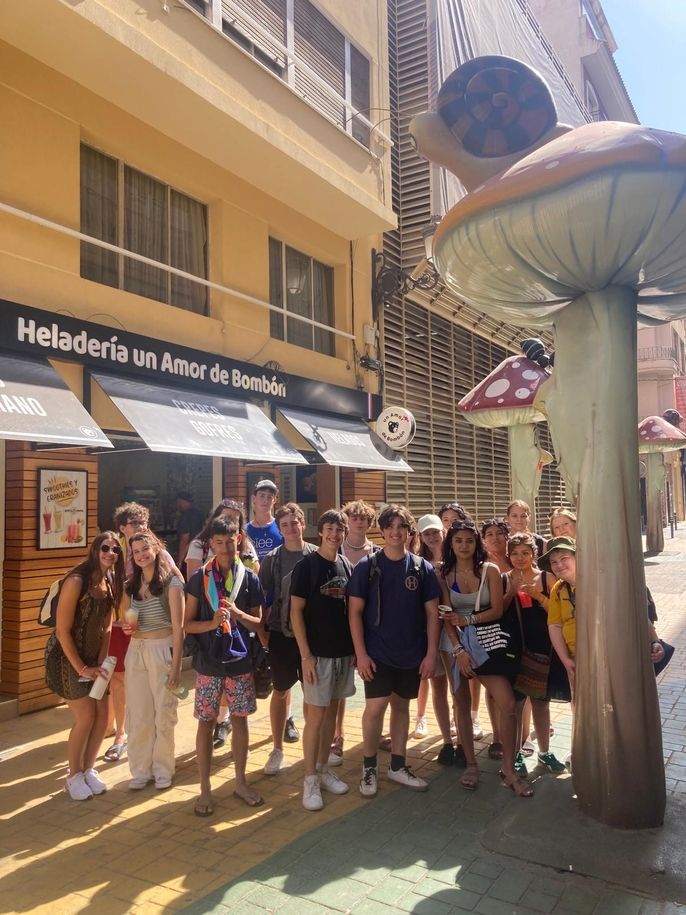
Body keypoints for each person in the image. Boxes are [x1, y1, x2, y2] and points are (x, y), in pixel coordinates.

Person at [348, 505, 441, 798]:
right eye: (390, 526)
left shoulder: (420, 567)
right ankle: (370, 767)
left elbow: (432, 614)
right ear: (383, 530)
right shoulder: (368, 566)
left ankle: (398, 765)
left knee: (402, 707)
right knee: (375, 708)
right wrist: (361, 654)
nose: (395, 532)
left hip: (411, 652)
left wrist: (430, 653)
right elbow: (354, 613)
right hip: (377, 654)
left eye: (402, 527)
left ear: (408, 532)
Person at [440, 520, 530, 796]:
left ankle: (508, 768)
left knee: (508, 704)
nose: (464, 546)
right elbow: (446, 618)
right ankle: (470, 764)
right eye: (458, 541)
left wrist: (467, 618)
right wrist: (459, 652)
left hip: (488, 643)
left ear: (476, 543)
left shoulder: (489, 570)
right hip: (456, 645)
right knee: (462, 702)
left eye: (469, 540)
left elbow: (497, 612)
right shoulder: (443, 574)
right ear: (451, 544)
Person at [184, 517, 264, 816]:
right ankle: (204, 790)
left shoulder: (250, 578)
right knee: (206, 722)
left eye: (230, 541)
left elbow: (259, 622)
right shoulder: (199, 579)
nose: (226, 547)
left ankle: (240, 782)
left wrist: (238, 613)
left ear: (239, 539)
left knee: (240, 720)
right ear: (211, 545)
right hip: (208, 663)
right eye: (219, 542)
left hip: (240, 662)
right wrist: (212, 622)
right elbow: (187, 624)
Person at [45, 531, 125, 800]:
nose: (110, 553)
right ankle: (73, 776)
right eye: (105, 547)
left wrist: (103, 660)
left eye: (116, 550)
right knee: (86, 717)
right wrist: (81, 668)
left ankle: (88, 770)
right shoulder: (76, 581)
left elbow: (107, 626)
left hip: (95, 660)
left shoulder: (111, 581)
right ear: (94, 549)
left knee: (103, 716)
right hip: (67, 659)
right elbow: (62, 631)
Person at [104, 502, 182, 764]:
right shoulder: (113, 551)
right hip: (118, 624)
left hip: (154, 634)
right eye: (135, 523)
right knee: (117, 679)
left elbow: (177, 582)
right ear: (122, 527)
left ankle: (157, 755)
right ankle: (120, 734)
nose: (141, 527)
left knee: (154, 691)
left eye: (143, 522)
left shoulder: (157, 554)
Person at [290, 510, 355, 810]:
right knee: (315, 717)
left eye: (339, 530)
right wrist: (305, 655)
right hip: (317, 656)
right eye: (329, 529)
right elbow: (295, 612)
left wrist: (354, 651)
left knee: (332, 713)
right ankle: (310, 779)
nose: (334, 534)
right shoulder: (307, 567)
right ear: (321, 532)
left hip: (342, 653)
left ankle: (323, 767)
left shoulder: (346, 565)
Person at [123, 531, 185, 790]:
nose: (141, 555)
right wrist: (125, 628)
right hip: (136, 650)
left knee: (164, 713)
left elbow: (179, 628)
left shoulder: (172, 582)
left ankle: (163, 769)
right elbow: (125, 619)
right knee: (138, 714)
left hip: (162, 650)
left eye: (144, 549)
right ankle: (140, 769)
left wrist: (177, 666)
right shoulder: (130, 585)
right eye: (135, 551)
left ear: (156, 547)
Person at [258, 503, 317, 775]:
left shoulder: (316, 556)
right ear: (279, 529)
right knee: (280, 690)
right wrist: (263, 635)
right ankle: (277, 748)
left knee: (311, 692)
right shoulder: (272, 559)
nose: (291, 529)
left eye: (295, 523)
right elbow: (262, 600)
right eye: (285, 525)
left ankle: (311, 748)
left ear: (303, 524)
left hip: (311, 636)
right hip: (281, 635)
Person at [504, 532, 567, 776]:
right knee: (518, 704)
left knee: (541, 703)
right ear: (509, 556)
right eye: (515, 553)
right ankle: (518, 752)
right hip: (515, 649)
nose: (520, 558)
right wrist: (511, 593)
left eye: (525, 553)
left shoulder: (546, 578)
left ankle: (545, 752)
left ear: (534, 554)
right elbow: (497, 610)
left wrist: (538, 596)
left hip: (543, 648)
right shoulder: (503, 578)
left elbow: (558, 611)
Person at [329, 500, 380, 766]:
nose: (359, 522)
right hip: (338, 622)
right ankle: (337, 735)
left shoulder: (378, 552)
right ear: (347, 520)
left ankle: (378, 731)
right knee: (340, 683)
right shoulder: (335, 549)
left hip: (372, 624)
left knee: (377, 680)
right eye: (355, 517)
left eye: (365, 519)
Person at [413, 514, 455, 765]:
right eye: (426, 533)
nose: (431, 536)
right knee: (439, 687)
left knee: (458, 687)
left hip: (455, 632)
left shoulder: (457, 558)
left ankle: (464, 730)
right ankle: (448, 740)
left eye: (435, 532)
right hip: (431, 633)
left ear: (443, 531)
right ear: (420, 536)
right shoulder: (418, 563)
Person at [186, 499, 258, 579]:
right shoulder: (199, 546)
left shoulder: (247, 546)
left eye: (235, 521)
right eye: (226, 518)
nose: (229, 523)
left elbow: (256, 575)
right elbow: (193, 583)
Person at [247, 479, 284, 562]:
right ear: (254, 498)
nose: (265, 500)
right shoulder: (245, 531)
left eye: (269, 497)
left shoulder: (282, 526)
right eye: (262, 495)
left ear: (274, 500)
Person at [176, 491, 205, 567]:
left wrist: (180, 561)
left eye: (178, 503)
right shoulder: (200, 514)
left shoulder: (185, 517)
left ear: (182, 501)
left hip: (188, 554)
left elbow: (184, 540)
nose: (177, 506)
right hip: (201, 552)